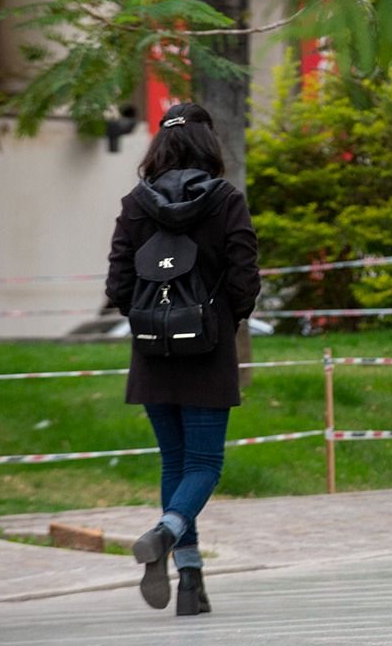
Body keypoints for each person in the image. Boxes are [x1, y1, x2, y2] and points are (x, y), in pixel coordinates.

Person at [105, 102, 260, 616]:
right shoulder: (226, 201)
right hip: (208, 347)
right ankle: (166, 533)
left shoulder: (134, 203)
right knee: (204, 464)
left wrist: (151, 322)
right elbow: (244, 278)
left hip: (151, 351)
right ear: (207, 145)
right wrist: (220, 322)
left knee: (174, 463)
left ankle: (190, 582)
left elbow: (118, 285)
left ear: (160, 147)